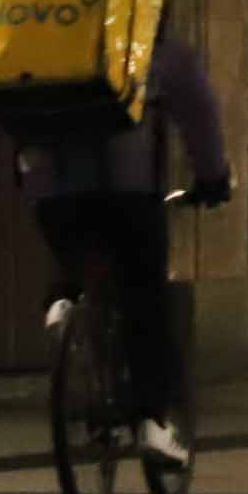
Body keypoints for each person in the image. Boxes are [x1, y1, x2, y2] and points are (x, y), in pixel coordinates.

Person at [12, 26, 231, 469]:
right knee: (146, 298)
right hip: (127, 193)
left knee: (74, 252)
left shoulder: (50, 32)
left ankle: (63, 303)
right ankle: (153, 423)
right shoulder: (156, 44)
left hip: (50, 190)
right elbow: (199, 113)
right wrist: (212, 177)